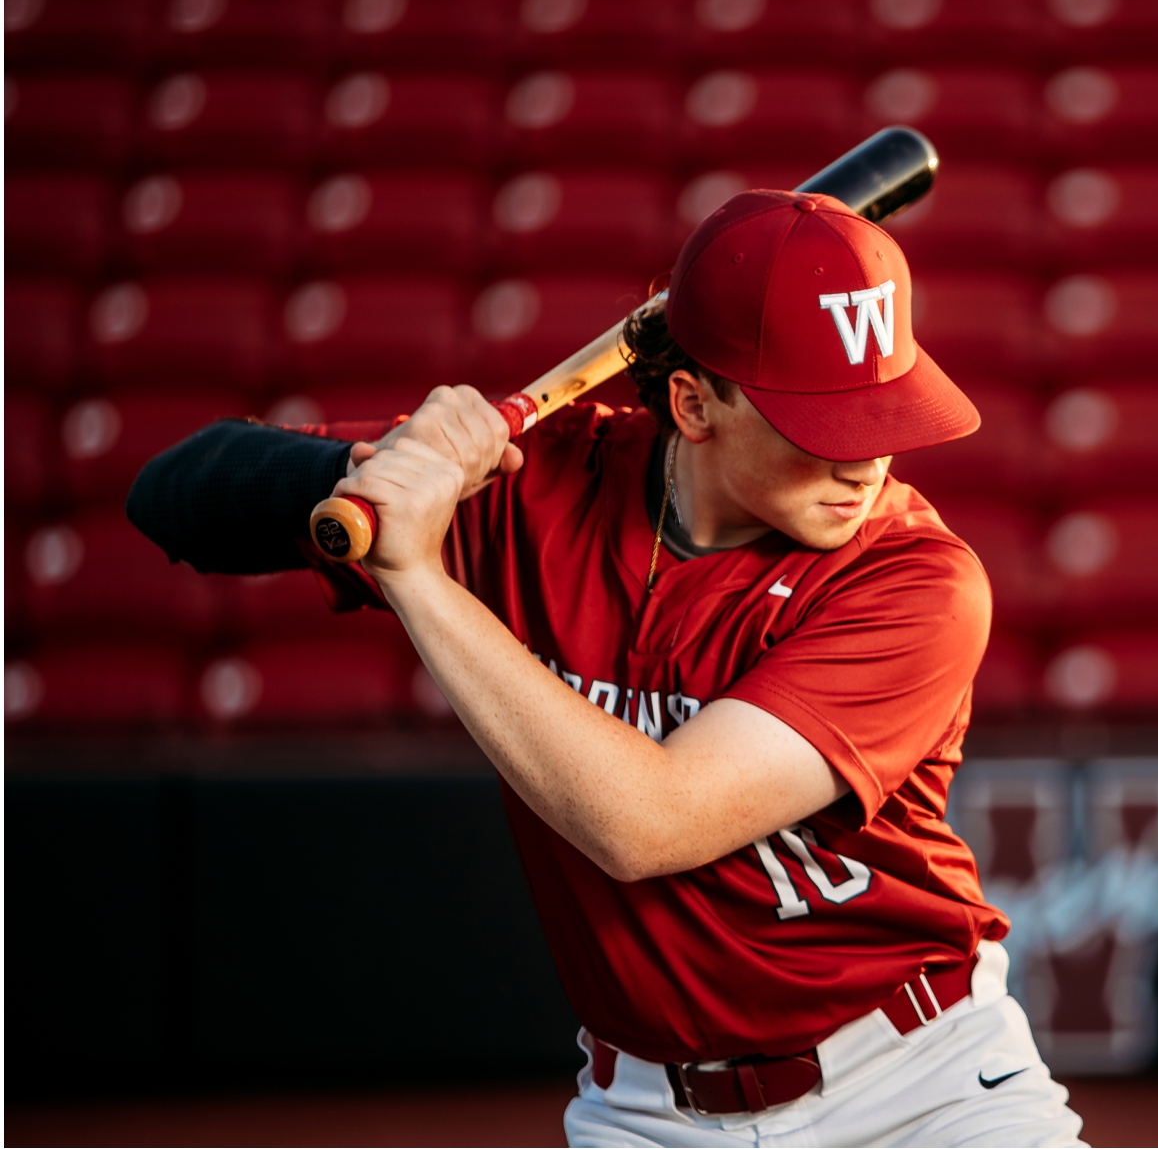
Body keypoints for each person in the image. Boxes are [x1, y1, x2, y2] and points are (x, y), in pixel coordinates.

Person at [129, 190, 1086, 1148]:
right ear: (693, 402)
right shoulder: (530, 490)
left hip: (920, 1084)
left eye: (884, 412)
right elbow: (170, 494)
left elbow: (648, 822)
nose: (865, 462)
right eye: (821, 426)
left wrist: (413, 571)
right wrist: (375, 473)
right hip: (647, 1111)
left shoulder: (915, 579)